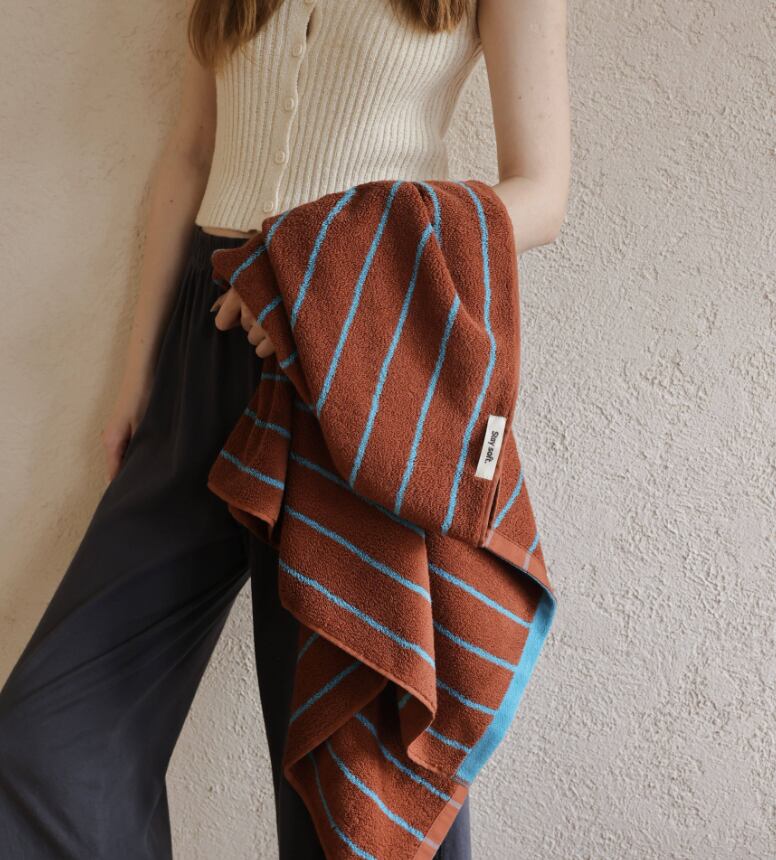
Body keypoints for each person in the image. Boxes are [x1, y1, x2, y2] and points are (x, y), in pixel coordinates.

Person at [0, 0, 570, 857]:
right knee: (43, 748)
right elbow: (193, 153)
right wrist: (140, 376)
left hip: (350, 362)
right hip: (207, 342)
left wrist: (313, 267)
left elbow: (542, 193)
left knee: (343, 775)